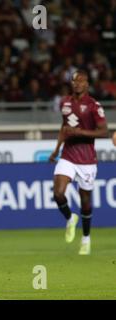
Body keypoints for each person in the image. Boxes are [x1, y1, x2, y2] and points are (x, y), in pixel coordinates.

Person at [49, 70, 108, 255]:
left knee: (85, 201)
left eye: (81, 81)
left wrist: (81, 132)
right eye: (74, 80)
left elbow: (103, 131)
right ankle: (70, 218)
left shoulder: (93, 106)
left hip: (87, 160)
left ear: (87, 84)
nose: (77, 83)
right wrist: (57, 149)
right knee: (58, 193)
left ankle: (86, 238)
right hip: (68, 155)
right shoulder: (65, 102)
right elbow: (64, 127)